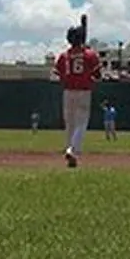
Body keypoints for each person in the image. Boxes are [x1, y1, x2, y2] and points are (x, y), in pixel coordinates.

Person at [54, 24, 101, 168]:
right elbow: (98, 75)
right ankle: (72, 150)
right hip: (84, 91)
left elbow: (57, 75)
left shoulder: (64, 56)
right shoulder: (90, 54)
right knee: (81, 123)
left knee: (70, 124)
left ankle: (70, 150)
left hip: (68, 91)